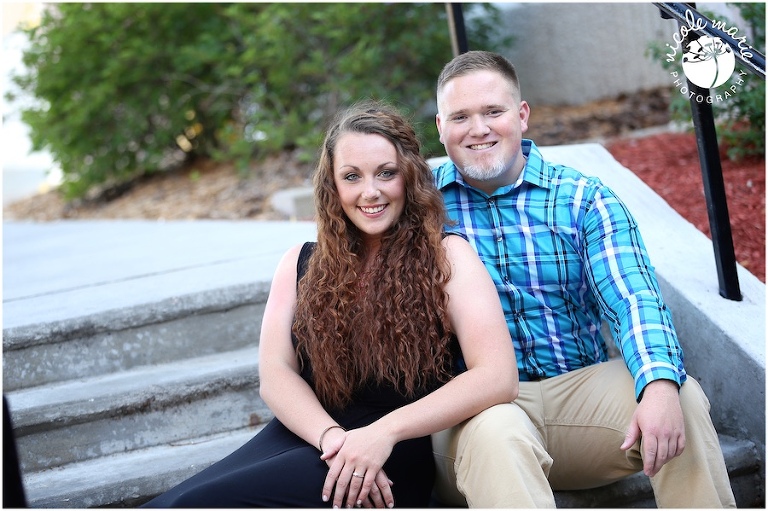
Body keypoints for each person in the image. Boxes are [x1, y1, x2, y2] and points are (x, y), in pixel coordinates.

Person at [142, 101, 517, 508]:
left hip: (393, 450)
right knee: (180, 501)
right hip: (310, 434)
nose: (369, 192)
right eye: (351, 176)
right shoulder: (300, 263)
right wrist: (331, 438)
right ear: (333, 186)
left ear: (409, 177)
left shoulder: (447, 256)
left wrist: (383, 433)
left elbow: (497, 375)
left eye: (385, 174)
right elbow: (276, 372)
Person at [430, 50, 736, 508]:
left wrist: (657, 385)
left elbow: (633, 299)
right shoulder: (421, 208)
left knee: (681, 396)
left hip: (579, 397)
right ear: (440, 127)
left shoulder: (582, 199)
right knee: (499, 432)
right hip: (475, 413)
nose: (479, 128)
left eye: (493, 111)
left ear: (522, 114)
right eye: (461, 117)